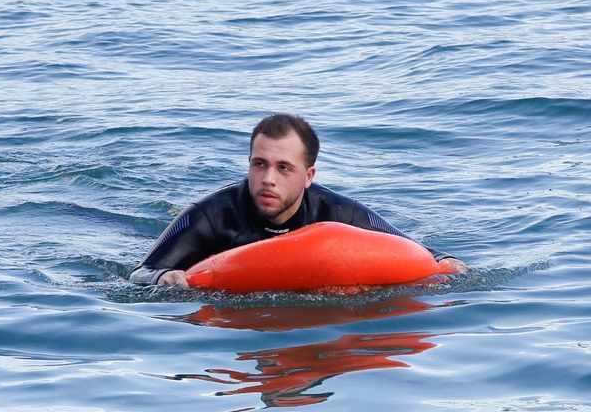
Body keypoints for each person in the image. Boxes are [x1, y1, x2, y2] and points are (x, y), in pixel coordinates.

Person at [131, 114, 466, 286]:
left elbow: (419, 252)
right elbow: (142, 271)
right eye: (258, 164)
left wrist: (449, 263)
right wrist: (164, 278)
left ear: (308, 177)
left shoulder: (337, 212)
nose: (268, 179)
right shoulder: (212, 216)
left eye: (284, 168)